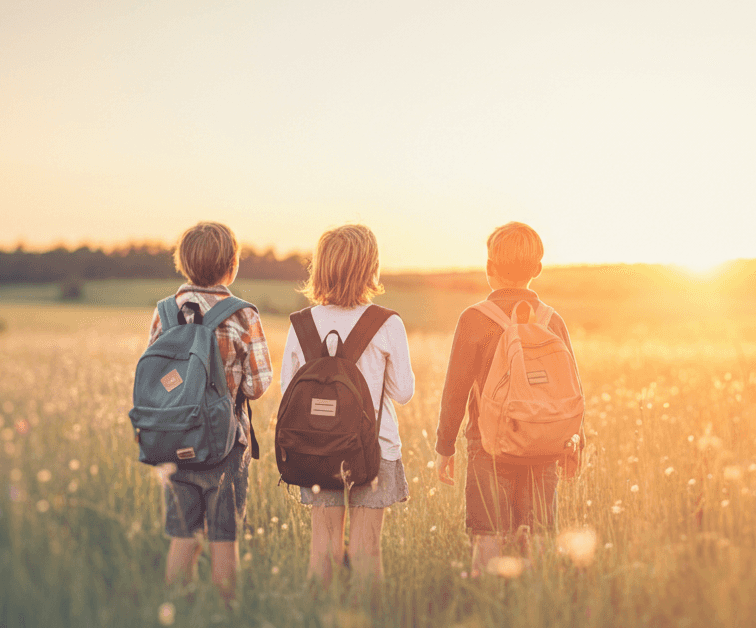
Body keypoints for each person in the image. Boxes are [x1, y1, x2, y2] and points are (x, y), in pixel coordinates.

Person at [433, 222, 581, 575]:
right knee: (540, 536)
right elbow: (571, 388)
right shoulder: (552, 320)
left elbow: (455, 391)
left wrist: (445, 447)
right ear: (538, 270)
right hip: (544, 444)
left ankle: (489, 603)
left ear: (489, 268)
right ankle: (534, 604)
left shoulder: (474, 319)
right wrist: (574, 445)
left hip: (489, 447)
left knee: (488, 536)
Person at [279, 224, 415, 589]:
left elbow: (285, 390)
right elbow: (403, 392)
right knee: (366, 550)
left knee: (322, 548)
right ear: (371, 268)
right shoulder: (387, 323)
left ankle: (320, 614)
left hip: (315, 450)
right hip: (374, 451)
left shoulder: (303, 324)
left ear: (321, 268)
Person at [148, 221, 271, 605]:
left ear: (182, 264)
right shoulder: (243, 315)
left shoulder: (165, 312)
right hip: (226, 446)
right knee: (223, 539)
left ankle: (178, 610)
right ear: (232, 265)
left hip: (176, 441)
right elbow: (257, 385)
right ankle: (225, 612)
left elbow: (151, 377)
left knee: (183, 537)